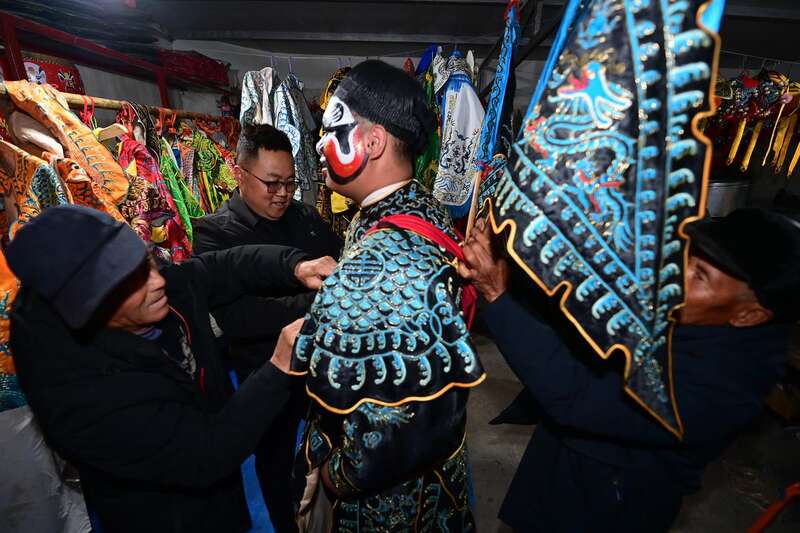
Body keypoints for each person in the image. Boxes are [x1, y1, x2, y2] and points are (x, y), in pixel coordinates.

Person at [458, 209, 799, 533]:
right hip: (565, 456)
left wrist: (498, 293)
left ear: (749, 315)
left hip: (607, 501)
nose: (675, 276)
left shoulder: (723, 389)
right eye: (687, 258)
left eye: (700, 276)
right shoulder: (693, 309)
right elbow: (584, 312)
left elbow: (578, 395)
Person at [7, 205, 335, 533]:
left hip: (221, 489)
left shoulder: (145, 284)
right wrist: (278, 368)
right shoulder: (83, 398)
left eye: (147, 260)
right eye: (132, 282)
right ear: (92, 308)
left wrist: (294, 266)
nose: (157, 280)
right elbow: (206, 453)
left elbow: (218, 269)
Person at [288, 60, 484, 531]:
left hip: (392, 508)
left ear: (373, 142)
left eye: (332, 128)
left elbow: (396, 432)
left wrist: (336, 477)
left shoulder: (388, 261)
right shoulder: (416, 203)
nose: (319, 144)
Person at [193, 124, 341, 532]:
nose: (282, 193)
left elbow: (338, 268)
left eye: (290, 183)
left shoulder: (305, 218)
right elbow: (240, 318)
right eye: (272, 183)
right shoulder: (214, 234)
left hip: (321, 364)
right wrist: (320, 303)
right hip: (265, 371)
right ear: (239, 174)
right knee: (275, 460)